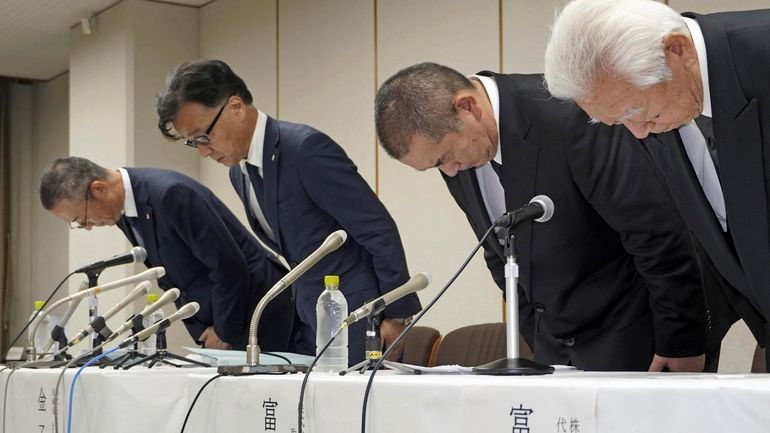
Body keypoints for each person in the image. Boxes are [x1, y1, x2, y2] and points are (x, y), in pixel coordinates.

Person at [375, 62, 708, 371]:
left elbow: (654, 230)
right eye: (435, 166)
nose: (450, 170)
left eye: (446, 156)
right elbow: (499, 253)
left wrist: (681, 341)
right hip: (553, 353)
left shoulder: (566, 113)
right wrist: (538, 339)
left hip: (638, 337)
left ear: (468, 107)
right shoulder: (458, 154)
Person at [544, 0, 770, 371]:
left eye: (634, 112)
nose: (637, 132)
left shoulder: (759, 49)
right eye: (618, 122)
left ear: (677, 51)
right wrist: (685, 340)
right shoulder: (663, 105)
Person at [155, 59, 421, 364]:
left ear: (235, 107)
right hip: (311, 323)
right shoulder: (239, 173)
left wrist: (397, 313)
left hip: (361, 317)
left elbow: (377, 227)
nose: (203, 150)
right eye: (193, 143)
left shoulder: (304, 150)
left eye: (204, 136)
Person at [39, 157, 294, 351]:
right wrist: (202, 328)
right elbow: (172, 279)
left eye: (81, 218)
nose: (87, 226)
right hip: (222, 326)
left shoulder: (170, 194)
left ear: (99, 189)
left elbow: (229, 266)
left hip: (260, 317)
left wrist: (224, 331)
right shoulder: (125, 212)